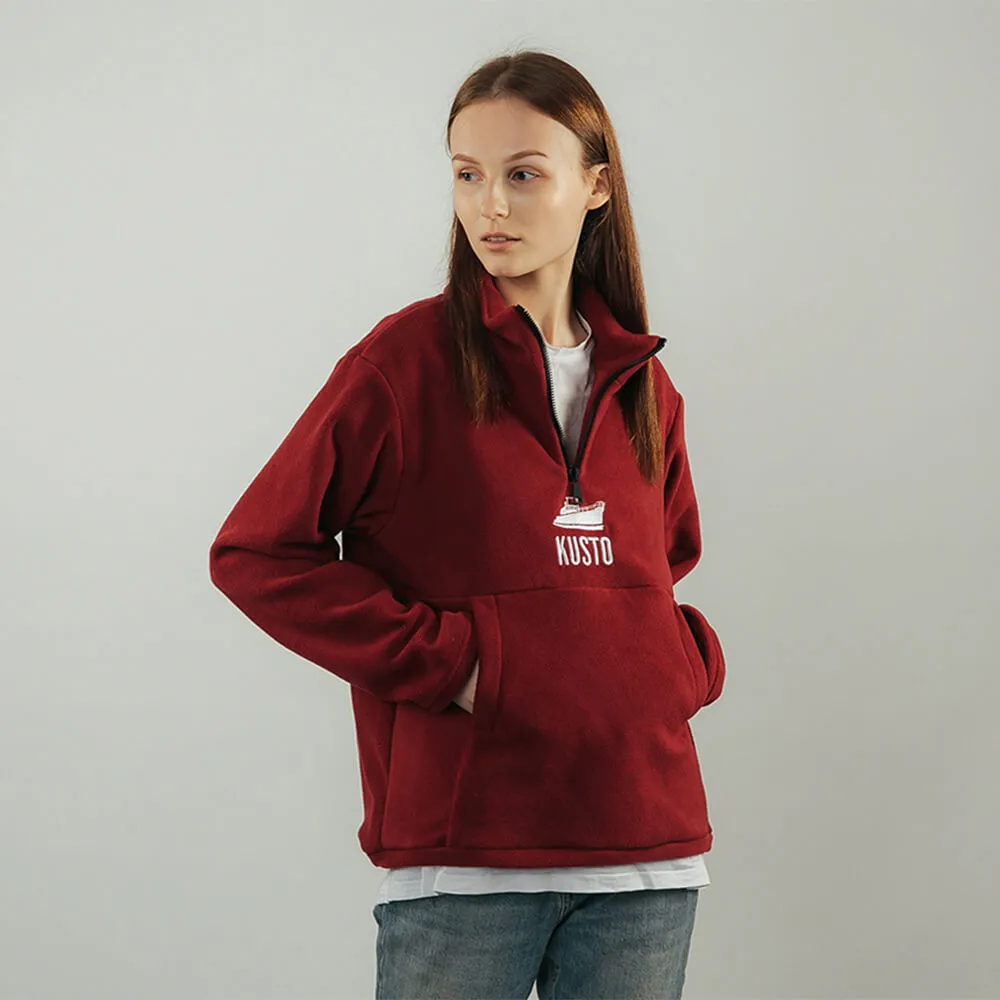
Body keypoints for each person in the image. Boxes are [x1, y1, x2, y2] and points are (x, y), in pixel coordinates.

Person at [209, 48, 726, 1000]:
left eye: (523, 174)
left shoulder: (646, 388)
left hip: (646, 857)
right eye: (467, 175)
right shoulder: (403, 364)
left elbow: (660, 566)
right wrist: (456, 665)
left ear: (596, 185)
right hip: (468, 862)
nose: (491, 205)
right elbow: (258, 553)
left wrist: (675, 667)